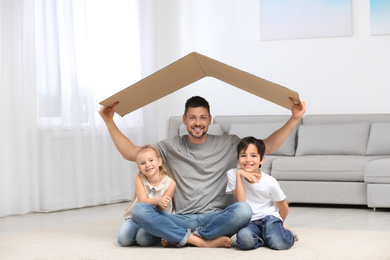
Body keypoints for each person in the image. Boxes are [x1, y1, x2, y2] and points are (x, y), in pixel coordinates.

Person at [99, 95, 306, 248]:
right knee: (139, 211)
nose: (197, 123)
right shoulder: (169, 147)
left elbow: (266, 146)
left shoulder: (228, 143)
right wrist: (109, 120)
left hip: (216, 219)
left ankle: (177, 237)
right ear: (184, 119)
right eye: (192, 118)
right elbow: (131, 153)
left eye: (202, 118)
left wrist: (295, 118)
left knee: (243, 210)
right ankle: (199, 240)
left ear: (209, 119)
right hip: (181, 216)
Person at [226, 136, 298, 250]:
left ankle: (286, 232)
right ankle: (265, 237)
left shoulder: (270, 181)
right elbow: (241, 203)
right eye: (243, 155)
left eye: (253, 156)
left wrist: (280, 222)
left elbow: (284, 208)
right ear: (238, 158)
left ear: (261, 160)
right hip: (249, 221)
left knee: (279, 243)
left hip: (269, 218)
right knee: (245, 241)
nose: (248, 160)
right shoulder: (233, 174)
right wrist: (240, 175)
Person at [117, 144, 176, 247]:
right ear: (139, 167)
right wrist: (158, 200)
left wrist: (161, 202)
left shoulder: (170, 183)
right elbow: (143, 201)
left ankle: (159, 234)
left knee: (143, 240)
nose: (148, 165)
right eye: (143, 163)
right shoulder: (139, 178)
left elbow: (163, 207)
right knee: (124, 240)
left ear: (159, 161)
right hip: (136, 217)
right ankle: (140, 231)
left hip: (156, 219)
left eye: (151, 160)